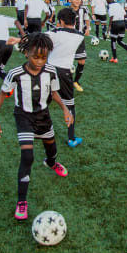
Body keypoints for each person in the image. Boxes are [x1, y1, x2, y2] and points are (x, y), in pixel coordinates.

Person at [0, 33, 73, 220]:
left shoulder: (51, 71)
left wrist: (65, 110)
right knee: (27, 156)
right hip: (23, 116)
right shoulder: (15, 73)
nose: (39, 61)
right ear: (26, 53)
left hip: (43, 116)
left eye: (43, 57)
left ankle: (51, 163)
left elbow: (55, 92)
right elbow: (2, 94)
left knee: (51, 147)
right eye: (35, 57)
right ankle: (22, 201)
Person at [46, 8, 85, 148]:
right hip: (64, 73)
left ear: (61, 21)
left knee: (44, 100)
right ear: (74, 21)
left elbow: (37, 41)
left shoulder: (53, 33)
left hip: (48, 70)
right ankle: (71, 138)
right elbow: (82, 60)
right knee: (69, 105)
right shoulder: (80, 36)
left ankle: (33, 128)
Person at [0, 4, 25, 107]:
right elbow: (16, 21)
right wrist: (23, 35)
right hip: (9, 45)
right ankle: (10, 88)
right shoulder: (1, 17)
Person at [69, 0, 90, 92]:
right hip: (69, 39)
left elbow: (87, 20)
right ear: (70, 0)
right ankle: (63, 82)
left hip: (80, 38)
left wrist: (87, 28)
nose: (77, 0)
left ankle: (76, 81)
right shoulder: (67, 11)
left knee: (82, 61)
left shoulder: (84, 10)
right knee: (66, 61)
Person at [106, 0, 127, 64]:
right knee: (119, 40)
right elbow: (124, 14)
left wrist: (109, 28)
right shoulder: (118, 4)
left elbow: (111, 17)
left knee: (113, 41)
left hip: (115, 24)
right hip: (122, 23)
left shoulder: (110, 6)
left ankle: (115, 58)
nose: (106, 0)